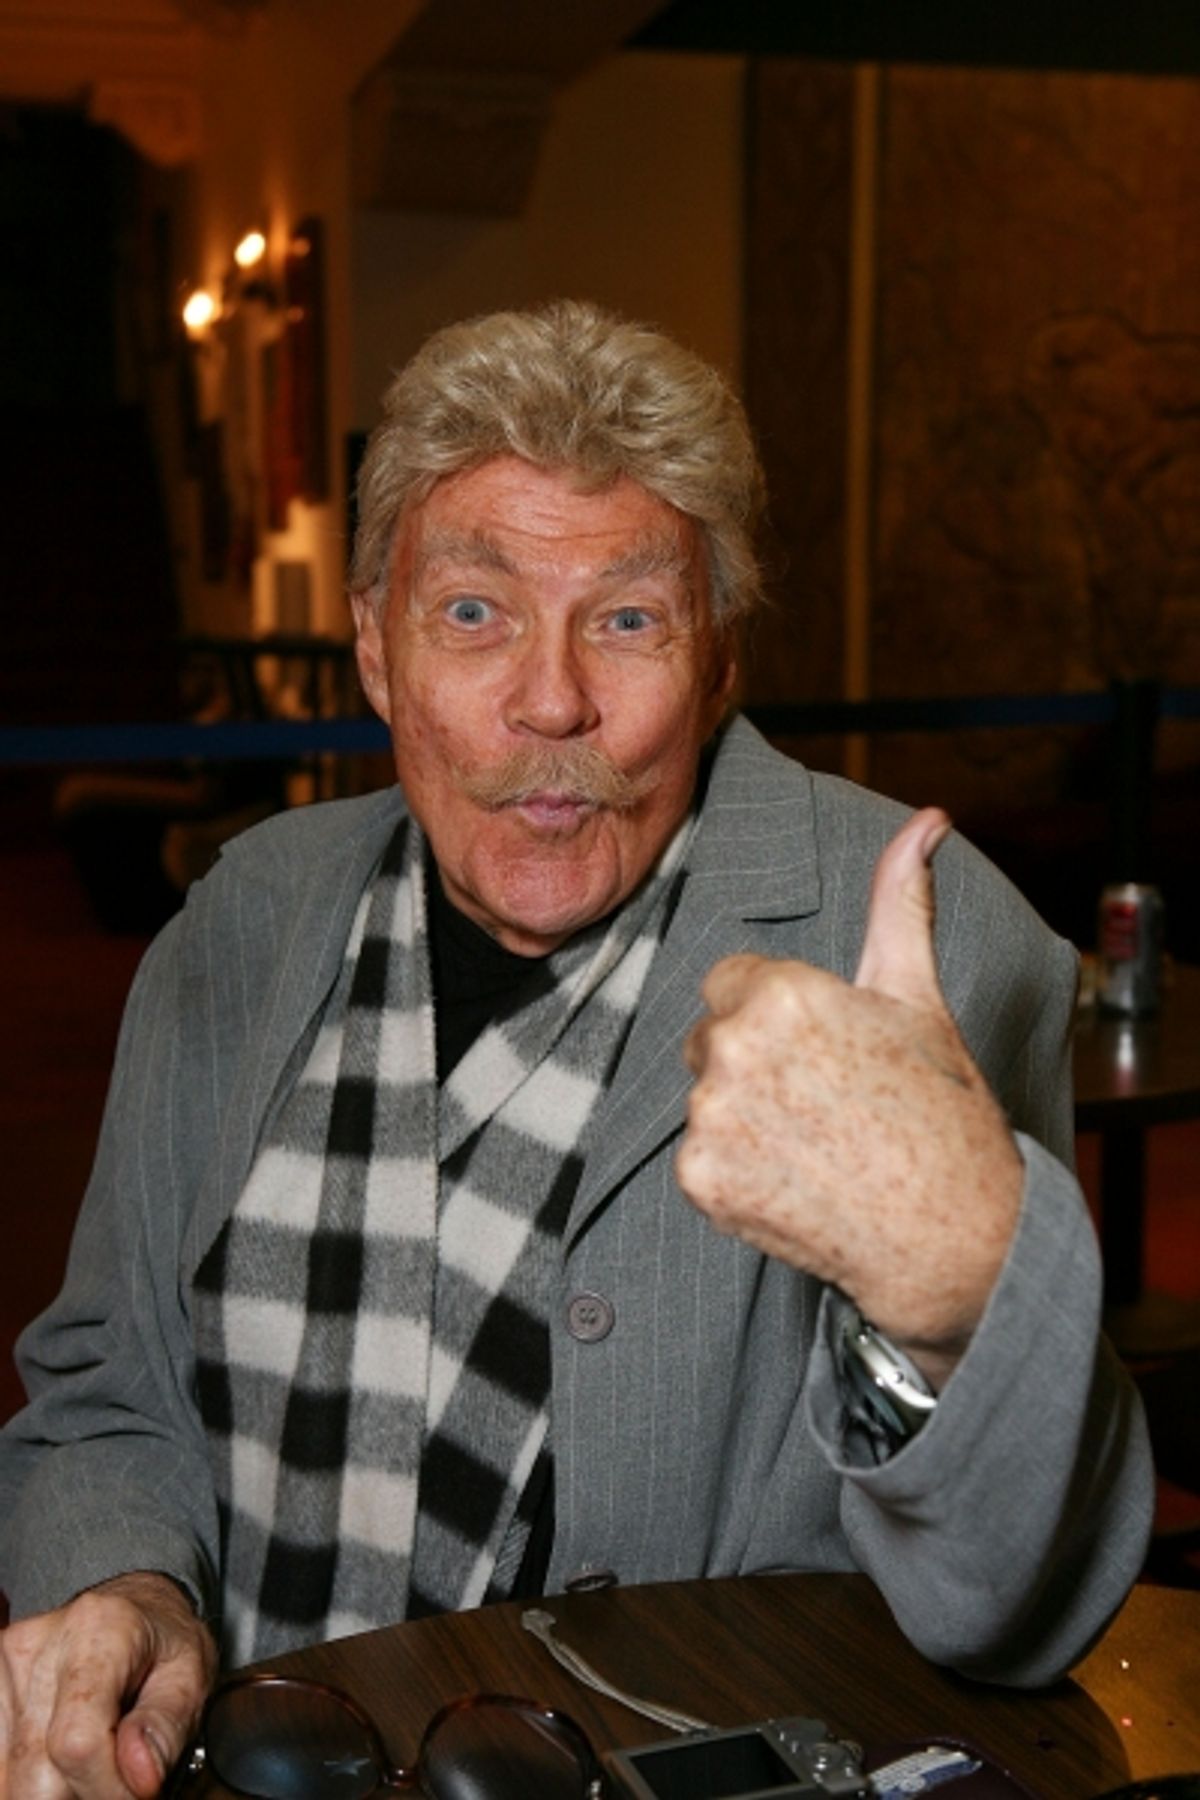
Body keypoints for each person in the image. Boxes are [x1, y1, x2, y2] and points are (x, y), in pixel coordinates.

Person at [0, 300, 1152, 1797]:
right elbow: (108, 1385)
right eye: (474, 611)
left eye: (627, 618)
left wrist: (959, 1288)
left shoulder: (931, 945)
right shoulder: (248, 916)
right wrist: (125, 1591)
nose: (552, 701)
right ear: (373, 650)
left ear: (719, 659)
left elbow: (1019, 1609)